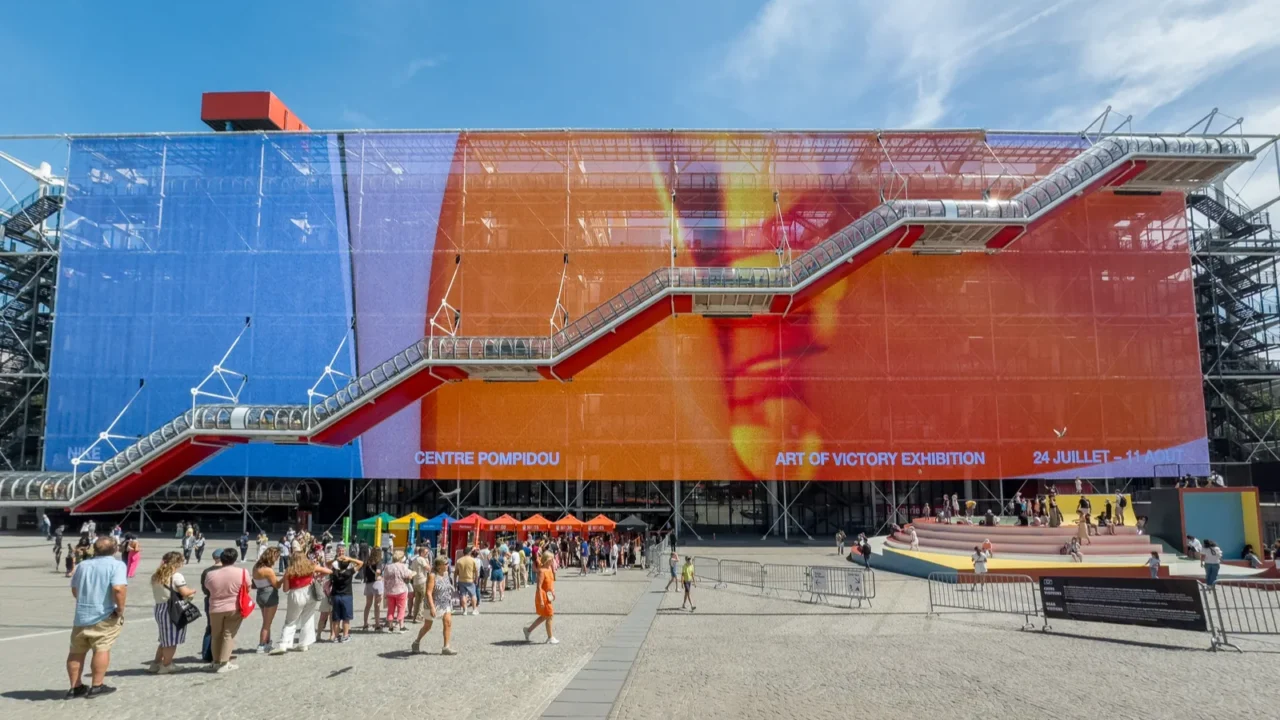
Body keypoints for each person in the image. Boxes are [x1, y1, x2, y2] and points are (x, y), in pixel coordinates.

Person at [66, 536, 127, 698]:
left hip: (82, 615)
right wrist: (120, 610)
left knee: (76, 651)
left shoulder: (82, 565)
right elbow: (119, 589)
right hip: (104, 614)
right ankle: (97, 685)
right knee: (101, 647)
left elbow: (74, 590)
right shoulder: (117, 565)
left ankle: (75, 687)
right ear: (115, 549)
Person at [272, 553, 331, 654]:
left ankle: (284, 644)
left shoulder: (289, 571)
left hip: (296, 594)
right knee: (307, 618)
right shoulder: (310, 566)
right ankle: (304, 644)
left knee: (291, 620)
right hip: (309, 593)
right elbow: (329, 571)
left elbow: (285, 589)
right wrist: (317, 577)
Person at [149, 551, 194, 674]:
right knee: (171, 640)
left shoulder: (156, 575)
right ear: (177, 562)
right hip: (172, 609)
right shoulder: (176, 576)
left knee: (164, 639)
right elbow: (184, 592)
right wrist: (192, 591)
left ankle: (156, 663)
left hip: (159, 608)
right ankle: (167, 665)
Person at [203, 548, 247, 672]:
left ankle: (216, 661)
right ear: (234, 559)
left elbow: (207, 588)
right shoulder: (242, 572)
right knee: (228, 634)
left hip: (215, 607)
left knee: (216, 634)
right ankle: (224, 662)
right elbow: (247, 587)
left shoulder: (210, 574)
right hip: (234, 606)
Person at [411, 557, 457, 655]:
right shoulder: (432, 576)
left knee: (448, 622)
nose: (447, 565)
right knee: (428, 626)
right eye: (445, 564)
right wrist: (432, 607)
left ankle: (446, 647)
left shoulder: (446, 574)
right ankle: (416, 641)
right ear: (439, 566)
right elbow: (428, 592)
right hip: (433, 603)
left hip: (445, 603)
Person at [522, 551, 558, 645]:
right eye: (551, 559)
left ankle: (528, 630)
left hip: (548, 595)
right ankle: (550, 637)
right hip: (542, 595)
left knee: (544, 616)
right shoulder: (541, 571)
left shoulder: (549, 568)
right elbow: (539, 586)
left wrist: (553, 592)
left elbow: (550, 582)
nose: (553, 561)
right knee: (550, 615)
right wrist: (541, 600)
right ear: (547, 560)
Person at [252, 548, 282, 653]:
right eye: (276, 557)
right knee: (267, 623)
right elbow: (277, 585)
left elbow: (254, 583)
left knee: (266, 621)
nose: (277, 559)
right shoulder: (268, 570)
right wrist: (284, 578)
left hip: (260, 594)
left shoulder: (256, 567)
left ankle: (267, 643)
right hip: (270, 594)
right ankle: (261, 644)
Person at [328, 552, 362, 643]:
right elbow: (361, 563)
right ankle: (345, 635)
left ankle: (336, 636)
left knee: (336, 618)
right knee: (346, 618)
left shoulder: (334, 572)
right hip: (346, 595)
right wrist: (350, 558)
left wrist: (336, 559)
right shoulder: (349, 572)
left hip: (335, 596)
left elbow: (327, 563)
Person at [382, 550, 414, 633]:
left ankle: (390, 626)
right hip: (401, 590)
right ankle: (401, 626)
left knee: (390, 609)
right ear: (401, 558)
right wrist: (411, 575)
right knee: (401, 608)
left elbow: (385, 578)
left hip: (390, 590)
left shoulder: (388, 567)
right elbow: (408, 576)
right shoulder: (403, 566)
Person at [361, 547, 385, 631]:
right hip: (377, 583)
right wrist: (379, 576)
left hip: (368, 584)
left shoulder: (368, 561)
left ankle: (365, 623)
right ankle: (377, 624)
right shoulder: (379, 561)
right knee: (377, 605)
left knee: (368, 605)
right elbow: (378, 571)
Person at [409, 547, 432, 621]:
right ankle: (420, 616)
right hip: (422, 581)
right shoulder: (422, 559)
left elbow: (412, 569)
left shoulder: (414, 560)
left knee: (417, 600)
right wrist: (428, 562)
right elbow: (428, 568)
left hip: (416, 581)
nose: (427, 554)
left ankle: (415, 616)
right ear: (421, 552)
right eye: (426, 552)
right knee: (423, 599)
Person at [455, 548, 480, 616]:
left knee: (463, 595)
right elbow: (476, 571)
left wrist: (455, 581)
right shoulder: (473, 560)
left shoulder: (459, 561)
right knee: (473, 595)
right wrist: (476, 579)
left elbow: (456, 572)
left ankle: (465, 610)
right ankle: (474, 610)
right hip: (470, 580)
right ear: (469, 553)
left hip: (461, 580)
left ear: (463, 553)